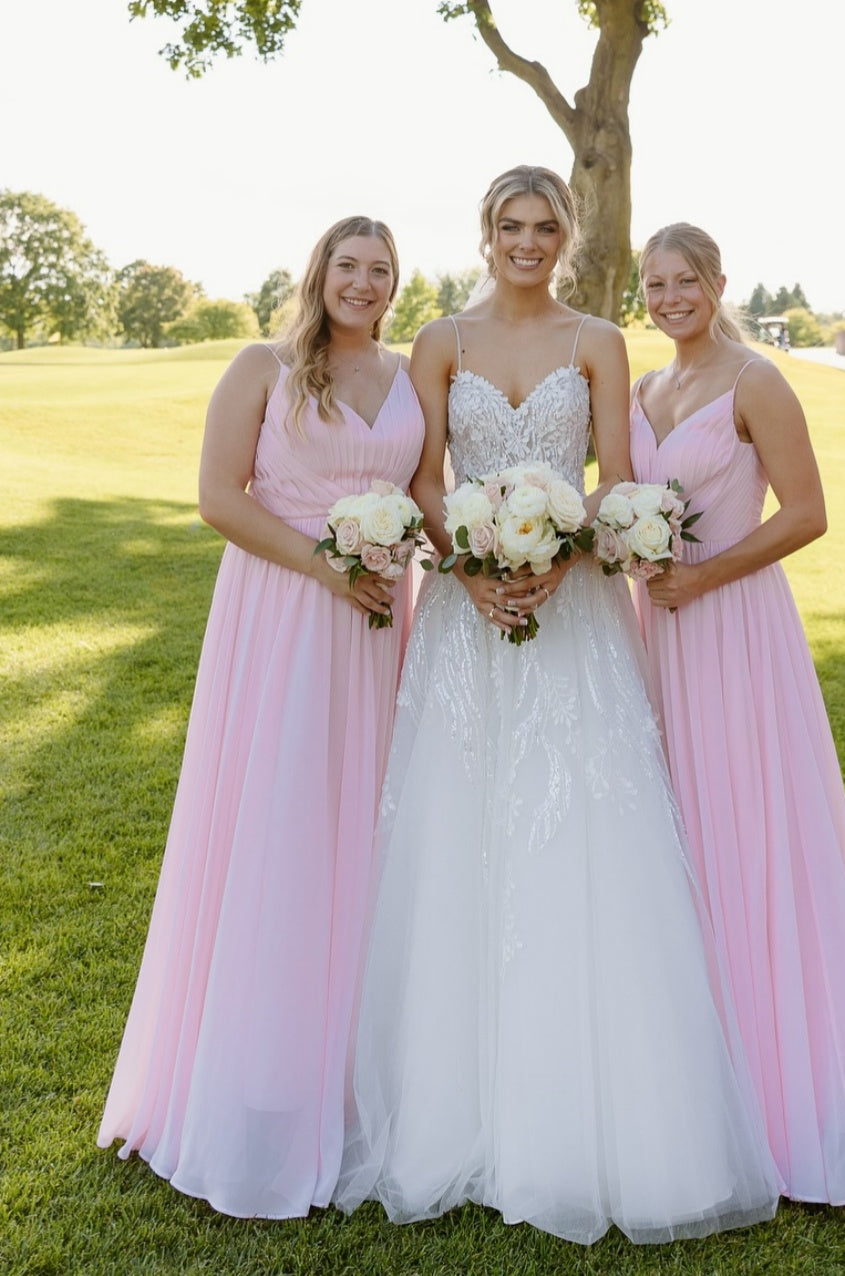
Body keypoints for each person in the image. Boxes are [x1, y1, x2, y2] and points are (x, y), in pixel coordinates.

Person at [336, 169, 780, 1245]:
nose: (526, 242)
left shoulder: (599, 341)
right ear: (486, 234)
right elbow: (427, 479)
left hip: (574, 616)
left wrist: (560, 553)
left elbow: (617, 478)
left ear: (566, 237)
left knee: (583, 838)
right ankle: (452, 1115)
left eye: (543, 227)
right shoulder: (440, 340)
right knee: (460, 837)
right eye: (509, 225)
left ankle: (589, 1122)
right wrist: (473, 565)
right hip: (463, 620)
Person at [98, 216, 426, 1218]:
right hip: (285, 614)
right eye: (348, 266)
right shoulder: (262, 367)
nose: (363, 283)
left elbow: (426, 495)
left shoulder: (411, 376)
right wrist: (324, 567)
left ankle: (351, 1077)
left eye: (380, 270)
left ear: (395, 284)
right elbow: (217, 497)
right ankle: (257, 1081)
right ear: (319, 273)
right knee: (281, 825)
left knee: (367, 827)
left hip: (379, 625)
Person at [629, 221, 845, 1205]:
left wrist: (705, 574)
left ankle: (783, 1103)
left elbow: (806, 513)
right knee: (677, 841)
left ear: (719, 283)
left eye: (686, 280)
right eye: (655, 284)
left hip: (734, 632)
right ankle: (696, 1087)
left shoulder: (756, 382)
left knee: (748, 839)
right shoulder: (643, 391)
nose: (671, 298)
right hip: (656, 634)